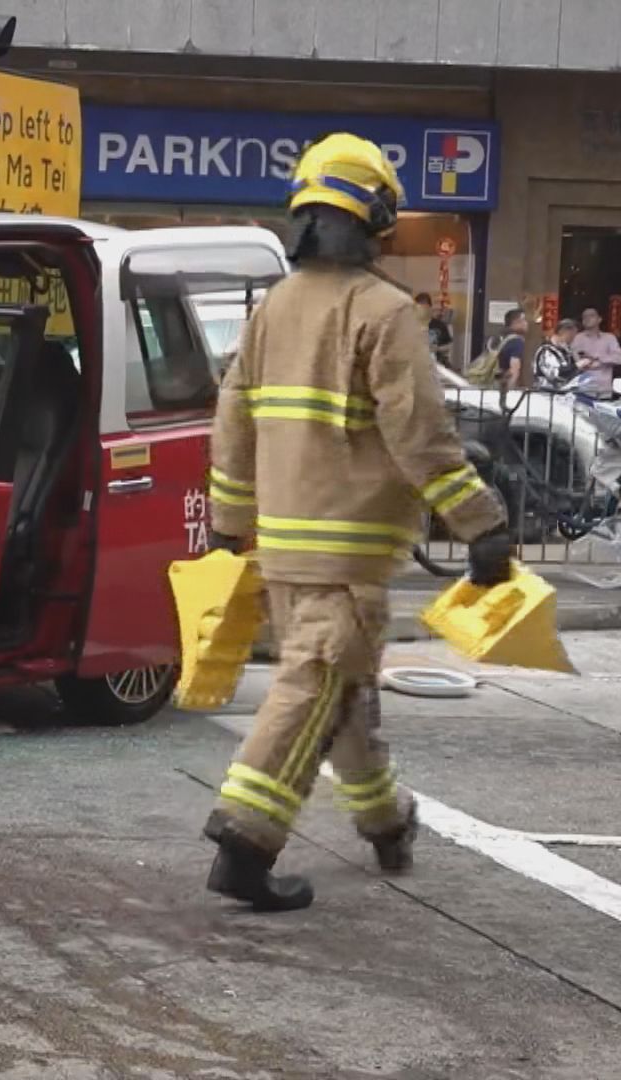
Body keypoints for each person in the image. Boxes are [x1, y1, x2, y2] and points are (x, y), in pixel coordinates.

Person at [205, 133, 511, 912]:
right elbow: (420, 433)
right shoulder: (383, 312)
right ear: (374, 216)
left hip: (282, 550)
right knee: (312, 688)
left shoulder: (272, 308)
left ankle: (384, 822)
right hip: (352, 554)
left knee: (343, 691)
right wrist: (479, 523)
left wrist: (228, 521)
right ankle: (244, 840)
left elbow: (232, 422)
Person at [573, 308, 621, 398]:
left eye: (591, 315)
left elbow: (619, 358)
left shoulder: (609, 338)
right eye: (584, 317)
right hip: (584, 389)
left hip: (604, 389)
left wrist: (599, 358)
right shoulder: (578, 338)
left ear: (599, 319)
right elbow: (577, 360)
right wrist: (600, 362)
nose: (587, 318)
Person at [534, 318, 580, 390]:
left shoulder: (567, 351)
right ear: (563, 332)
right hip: (547, 394)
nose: (572, 340)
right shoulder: (546, 350)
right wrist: (578, 365)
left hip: (565, 394)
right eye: (571, 336)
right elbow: (556, 374)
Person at [414, 292, 454, 368]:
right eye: (418, 308)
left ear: (429, 307)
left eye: (423, 307)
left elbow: (449, 345)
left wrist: (437, 349)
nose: (421, 310)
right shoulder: (410, 325)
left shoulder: (440, 325)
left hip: (436, 367)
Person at [495, 308, 529, 389]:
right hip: (505, 389)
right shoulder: (516, 341)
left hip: (497, 384)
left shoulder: (503, 338)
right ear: (516, 323)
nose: (526, 323)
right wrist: (511, 392)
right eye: (523, 320)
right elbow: (514, 370)